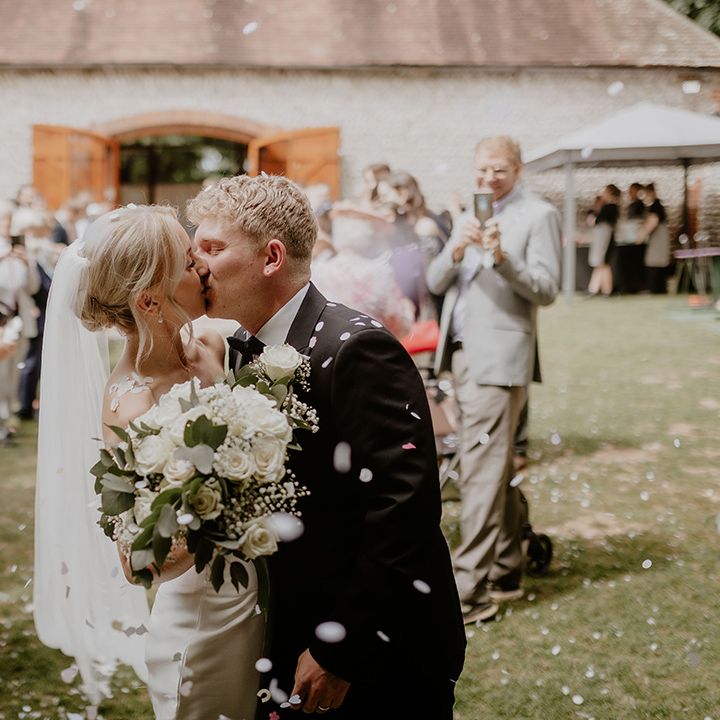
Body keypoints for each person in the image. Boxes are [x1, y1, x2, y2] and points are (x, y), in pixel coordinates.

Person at [189, 174, 466, 719]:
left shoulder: (358, 348)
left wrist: (341, 649)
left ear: (271, 258)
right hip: (291, 624)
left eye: (213, 249)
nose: (197, 264)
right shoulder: (240, 348)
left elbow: (404, 510)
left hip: (379, 651)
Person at [35, 205, 264, 717]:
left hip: (262, 596)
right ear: (149, 300)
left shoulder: (212, 344)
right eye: (188, 262)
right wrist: (235, 502)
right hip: (203, 623)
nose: (203, 266)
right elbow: (139, 564)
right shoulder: (132, 406)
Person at [426, 135, 561, 624]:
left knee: (481, 469)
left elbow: (547, 289)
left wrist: (504, 258)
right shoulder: (468, 214)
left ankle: (469, 589)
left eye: (499, 170)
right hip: (460, 355)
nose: (489, 178)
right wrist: (456, 248)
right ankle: (507, 567)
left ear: (518, 170)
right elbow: (435, 282)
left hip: (501, 359)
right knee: (490, 463)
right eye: (482, 169)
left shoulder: (539, 215)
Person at [587, 184, 621, 297]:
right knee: (600, 264)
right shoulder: (609, 207)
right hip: (602, 238)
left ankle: (606, 289)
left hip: (604, 239)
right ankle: (594, 288)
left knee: (603, 263)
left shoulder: (610, 207)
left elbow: (593, 221)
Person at [639, 183, 670, 294]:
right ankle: (659, 289)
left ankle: (654, 288)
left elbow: (653, 222)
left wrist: (641, 236)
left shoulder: (655, 205)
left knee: (654, 261)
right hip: (658, 237)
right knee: (657, 261)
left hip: (658, 238)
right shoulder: (656, 205)